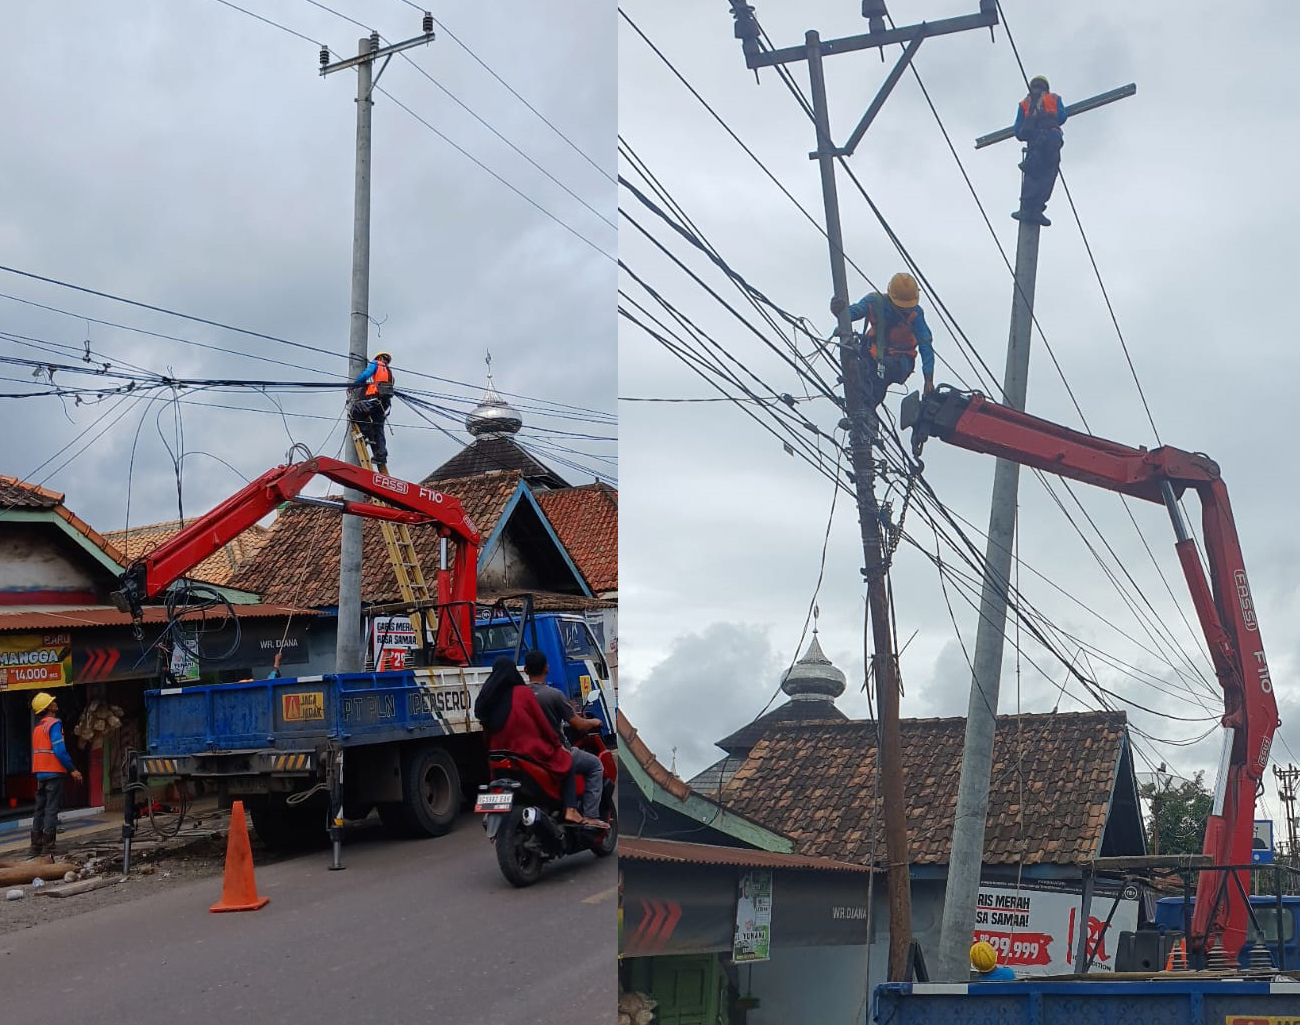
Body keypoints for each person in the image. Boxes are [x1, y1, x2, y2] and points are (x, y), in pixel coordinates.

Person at [474, 656, 585, 825]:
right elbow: (543, 724)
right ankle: (570, 809)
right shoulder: (523, 692)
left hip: (497, 756)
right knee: (567, 761)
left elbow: (486, 734)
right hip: (526, 751)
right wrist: (557, 745)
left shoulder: (491, 699)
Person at [830, 272, 935, 407]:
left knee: (883, 372)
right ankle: (860, 404)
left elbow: (925, 345)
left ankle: (868, 409)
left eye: (907, 306)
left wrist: (928, 379)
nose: (904, 309)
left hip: (900, 360)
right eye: (901, 305)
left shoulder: (915, 314)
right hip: (873, 353)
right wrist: (839, 310)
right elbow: (854, 312)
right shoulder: (874, 302)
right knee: (860, 367)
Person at [523, 649, 605, 822]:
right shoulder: (554, 695)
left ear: (525, 670)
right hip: (553, 752)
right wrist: (594, 722)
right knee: (595, 765)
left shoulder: (518, 696)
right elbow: (578, 724)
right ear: (547, 668)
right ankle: (589, 815)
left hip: (526, 753)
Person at [28, 692, 83, 859]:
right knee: (51, 808)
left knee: (39, 809)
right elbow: (59, 750)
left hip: (40, 774)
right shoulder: (54, 724)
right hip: (53, 772)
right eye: (52, 702)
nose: (55, 703)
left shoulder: (38, 728)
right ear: (48, 708)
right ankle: (48, 846)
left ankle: (35, 846)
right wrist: (72, 768)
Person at [1012, 75, 1067, 227]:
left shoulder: (1024, 104)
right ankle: (1037, 209)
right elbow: (1062, 117)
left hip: (1035, 142)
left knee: (1032, 174)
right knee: (1048, 173)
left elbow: (1018, 131)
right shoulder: (1054, 98)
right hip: (1052, 139)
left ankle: (1027, 207)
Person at [349, 350, 395, 464]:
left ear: (379, 358)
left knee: (356, 410)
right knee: (379, 427)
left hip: (375, 399)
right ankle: (381, 455)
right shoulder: (390, 374)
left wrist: (354, 385)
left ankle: (367, 431)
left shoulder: (376, 364)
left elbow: (365, 375)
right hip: (384, 403)